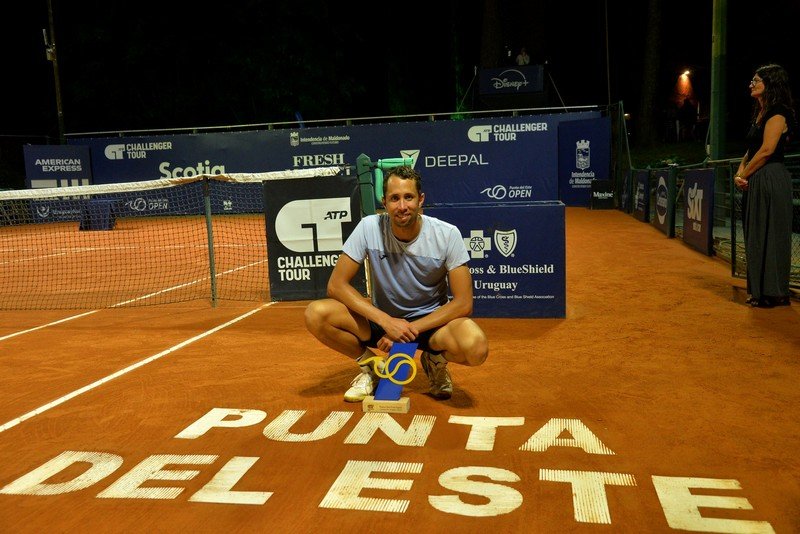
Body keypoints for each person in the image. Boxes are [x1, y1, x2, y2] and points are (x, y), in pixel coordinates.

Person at [305, 165, 489, 402]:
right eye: (394, 198)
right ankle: (371, 367)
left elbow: (464, 304)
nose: (402, 206)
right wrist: (387, 322)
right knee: (316, 314)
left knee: (476, 347)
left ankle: (435, 361)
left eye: (408, 197)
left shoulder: (447, 234)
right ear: (384, 202)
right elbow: (336, 285)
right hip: (382, 323)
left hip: (430, 325)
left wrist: (408, 330)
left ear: (420, 199)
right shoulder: (369, 227)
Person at [733, 64, 797, 308]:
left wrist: (745, 174)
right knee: (757, 235)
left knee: (771, 235)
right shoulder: (760, 113)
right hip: (757, 177)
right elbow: (751, 150)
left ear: (770, 84)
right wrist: (741, 172)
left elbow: (768, 150)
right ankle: (760, 291)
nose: (751, 84)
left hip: (770, 177)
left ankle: (774, 293)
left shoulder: (778, 112)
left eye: (756, 80)